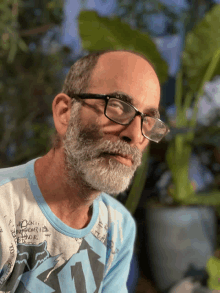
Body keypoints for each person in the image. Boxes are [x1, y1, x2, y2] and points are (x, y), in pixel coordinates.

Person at [0, 50, 169, 292]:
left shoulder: (118, 227)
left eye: (148, 121)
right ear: (64, 113)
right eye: (118, 107)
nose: (134, 134)